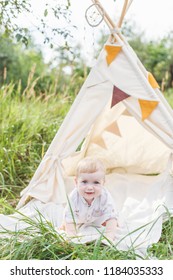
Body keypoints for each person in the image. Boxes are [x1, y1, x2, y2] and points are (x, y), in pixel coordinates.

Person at [62, 157, 118, 242]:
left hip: (98, 217)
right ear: (76, 182)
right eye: (84, 182)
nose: (89, 187)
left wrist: (109, 236)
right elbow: (69, 217)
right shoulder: (74, 197)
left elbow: (111, 216)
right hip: (79, 217)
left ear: (103, 183)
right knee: (67, 223)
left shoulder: (105, 196)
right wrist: (72, 236)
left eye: (96, 182)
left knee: (113, 222)